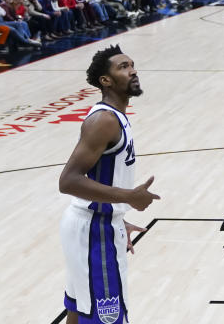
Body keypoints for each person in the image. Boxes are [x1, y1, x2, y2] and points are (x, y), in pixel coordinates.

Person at [58, 45, 160, 323]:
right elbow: (68, 181)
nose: (133, 70)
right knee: (107, 317)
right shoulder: (104, 120)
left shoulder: (117, 116)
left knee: (78, 310)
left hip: (96, 223)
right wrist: (128, 197)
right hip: (94, 230)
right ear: (106, 80)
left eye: (132, 64)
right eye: (123, 67)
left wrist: (118, 216)